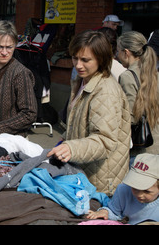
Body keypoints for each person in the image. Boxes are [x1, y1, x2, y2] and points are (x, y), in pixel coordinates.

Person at [47, 30, 131, 196]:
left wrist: (72, 147)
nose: (78, 65)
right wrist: (67, 137)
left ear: (101, 59)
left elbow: (105, 140)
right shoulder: (82, 81)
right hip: (85, 172)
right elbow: (82, 122)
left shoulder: (106, 91)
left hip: (100, 180)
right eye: (75, 58)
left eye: (85, 60)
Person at [117, 31, 159, 156]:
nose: (116, 55)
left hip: (141, 145)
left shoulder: (127, 76)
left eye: (118, 51)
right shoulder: (154, 73)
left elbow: (131, 116)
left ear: (126, 52)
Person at [86, 153, 159, 224]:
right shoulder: (123, 191)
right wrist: (105, 212)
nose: (139, 195)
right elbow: (114, 212)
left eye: (147, 191)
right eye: (135, 188)